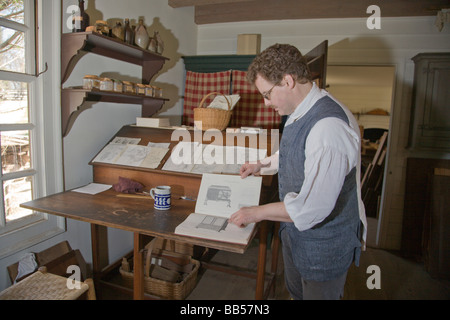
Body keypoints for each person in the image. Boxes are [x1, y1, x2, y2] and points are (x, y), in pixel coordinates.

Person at [228, 44, 367, 300]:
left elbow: (312, 208)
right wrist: (263, 164)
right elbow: (296, 150)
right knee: (296, 293)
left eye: (267, 94)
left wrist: (256, 213)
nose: (266, 103)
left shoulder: (329, 128)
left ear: (288, 81)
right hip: (296, 235)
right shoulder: (300, 109)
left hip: (324, 246)